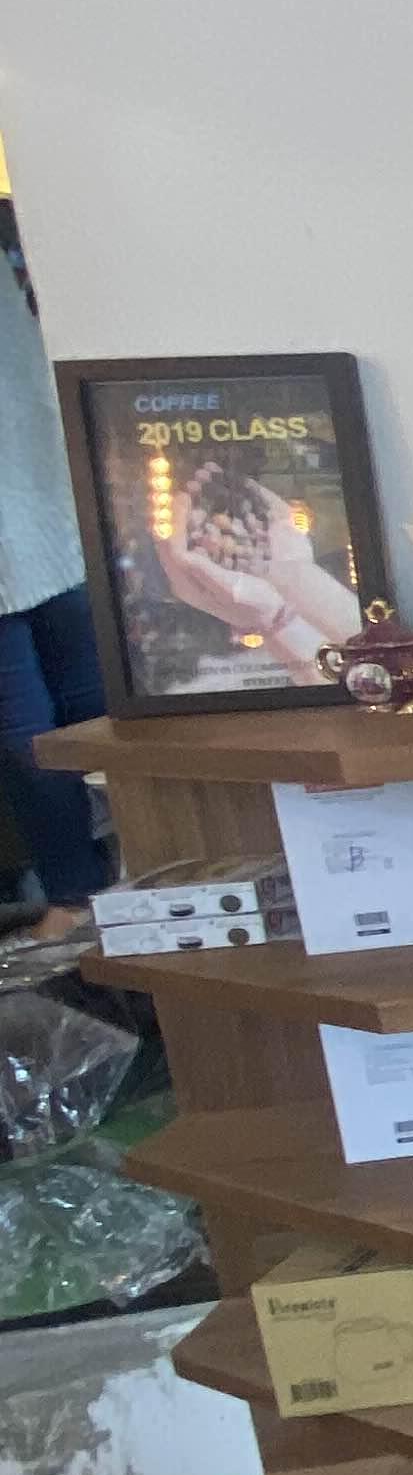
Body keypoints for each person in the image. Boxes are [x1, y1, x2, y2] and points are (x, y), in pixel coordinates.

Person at [0, 208, 102, 941]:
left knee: (30, 717)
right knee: (80, 692)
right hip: (45, 493)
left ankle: (76, 895)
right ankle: (123, 880)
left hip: (39, 496)